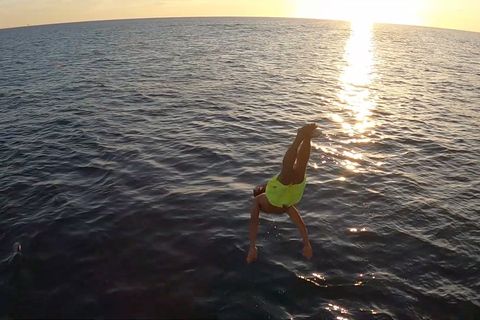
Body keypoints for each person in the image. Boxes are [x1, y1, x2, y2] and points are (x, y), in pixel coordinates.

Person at [247, 123, 320, 263]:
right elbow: (300, 224)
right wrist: (306, 243)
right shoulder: (271, 202)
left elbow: (254, 223)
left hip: (291, 197)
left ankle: (304, 138)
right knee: (293, 169)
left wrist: (252, 246)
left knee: (296, 170)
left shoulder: (262, 201)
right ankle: (304, 138)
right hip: (285, 198)